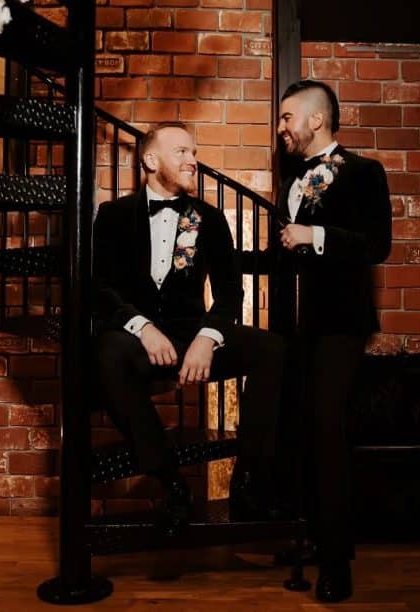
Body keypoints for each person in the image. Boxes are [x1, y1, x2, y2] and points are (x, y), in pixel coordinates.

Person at [93, 122, 286, 536]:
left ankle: (249, 479)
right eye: (181, 151)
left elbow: (231, 292)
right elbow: (99, 287)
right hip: (137, 338)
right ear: (150, 160)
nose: (192, 160)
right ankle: (171, 482)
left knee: (273, 349)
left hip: (191, 333)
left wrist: (206, 337)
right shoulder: (112, 216)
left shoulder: (210, 220)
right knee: (106, 354)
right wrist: (141, 327)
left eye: (193, 152)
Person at [272, 80, 393, 602]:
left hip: (342, 324)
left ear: (316, 120)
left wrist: (313, 237)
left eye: (286, 118)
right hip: (300, 326)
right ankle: (309, 537)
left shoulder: (364, 172)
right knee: (298, 429)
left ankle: (337, 561)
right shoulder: (290, 177)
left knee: (327, 430)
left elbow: (377, 245)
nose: (281, 128)